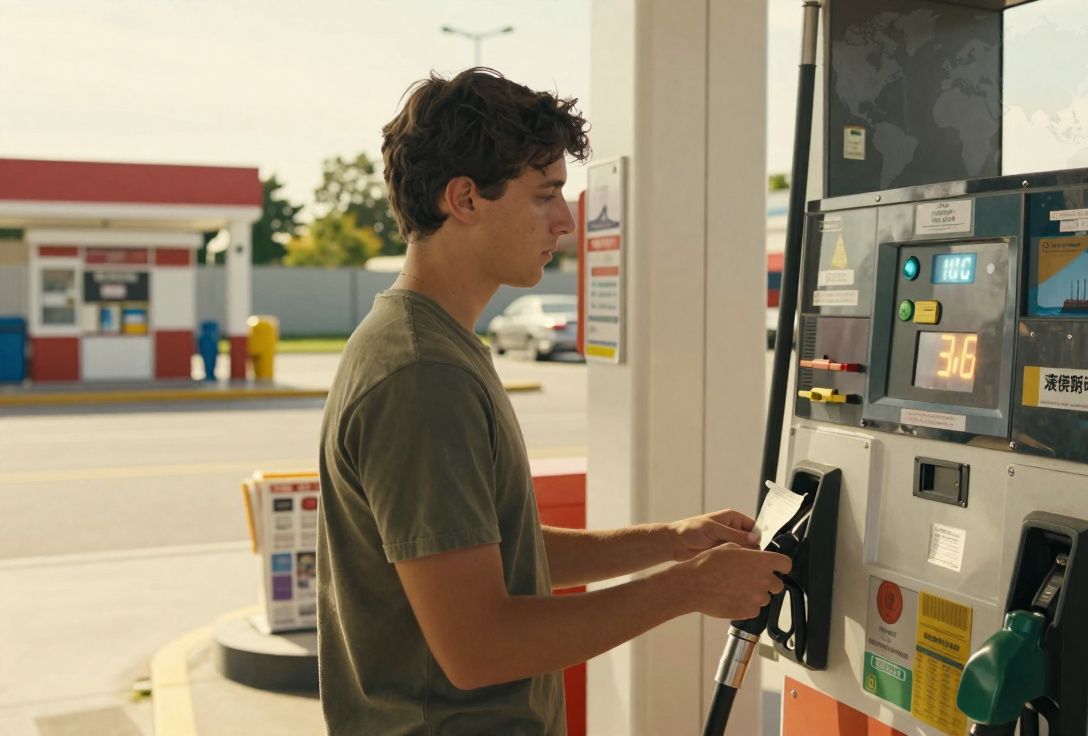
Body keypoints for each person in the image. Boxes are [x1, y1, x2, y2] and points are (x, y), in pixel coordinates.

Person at [316, 67, 790, 735]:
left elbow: (491, 555)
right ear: (465, 200)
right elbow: (479, 647)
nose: (566, 222)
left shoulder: (429, 346)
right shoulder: (423, 375)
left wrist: (670, 544)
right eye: (546, 195)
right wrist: (689, 590)